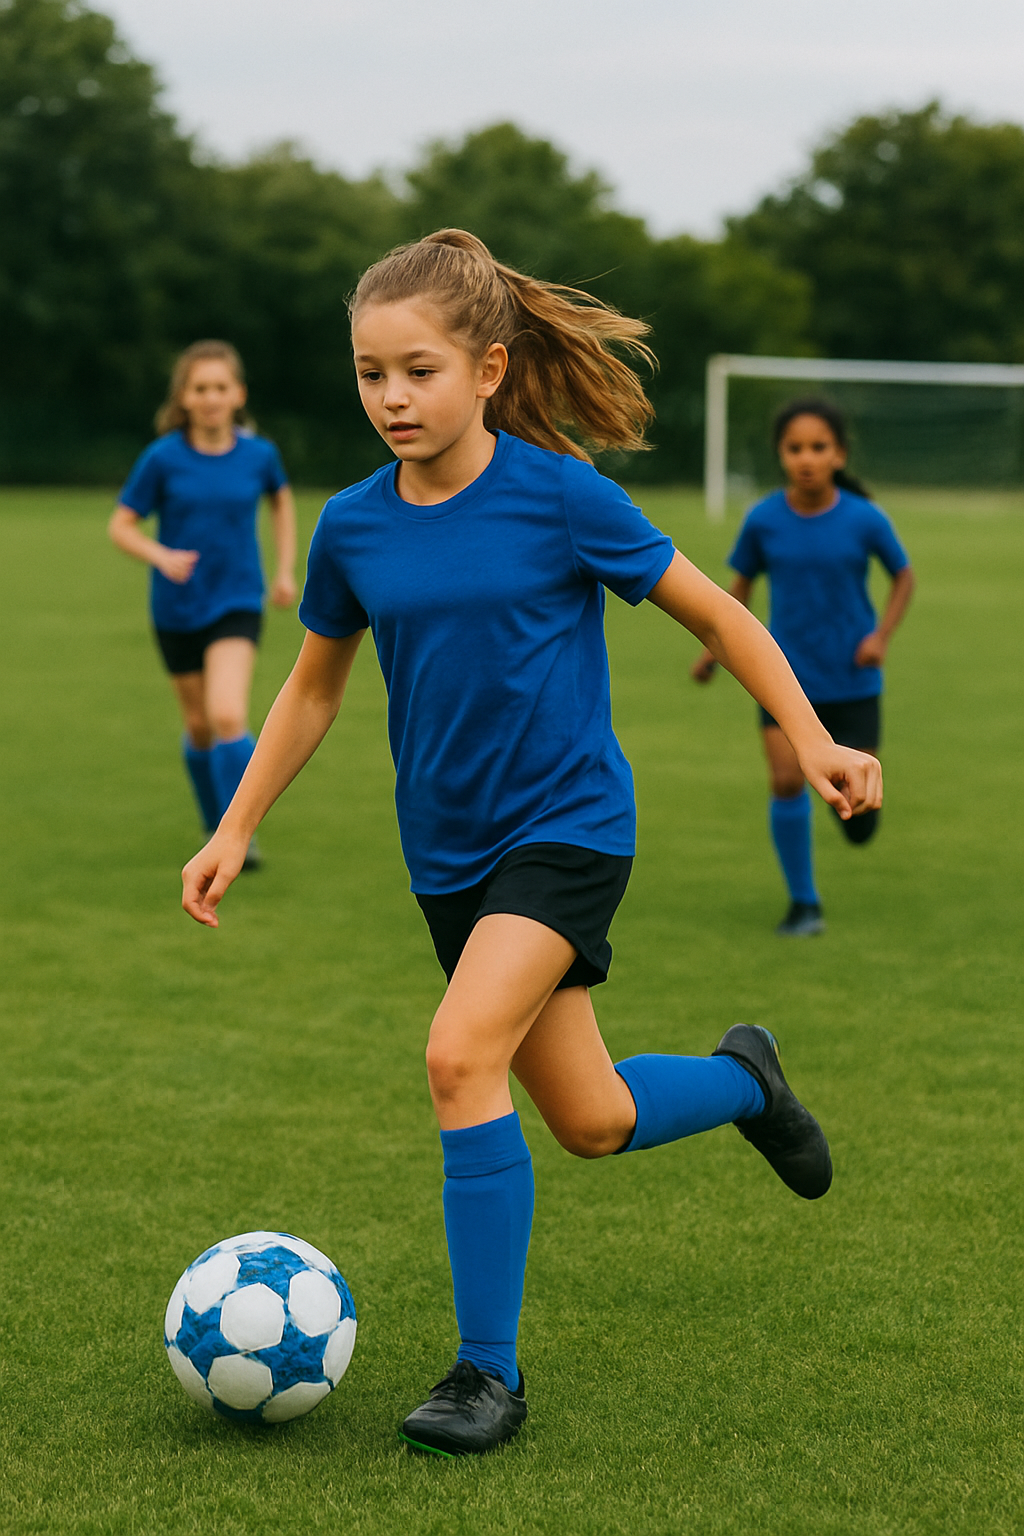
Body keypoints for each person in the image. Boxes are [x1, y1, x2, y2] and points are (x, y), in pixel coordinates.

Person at [181, 233, 881, 1457]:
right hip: (446, 859)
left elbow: (716, 608)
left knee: (460, 1058)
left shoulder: (562, 495)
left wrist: (814, 737)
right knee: (591, 1116)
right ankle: (745, 1079)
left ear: (489, 369)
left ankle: (483, 1377)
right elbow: (308, 692)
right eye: (369, 375)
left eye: (419, 371)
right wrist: (235, 824)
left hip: (566, 832)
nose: (393, 398)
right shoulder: (352, 527)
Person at [692, 398, 914, 936]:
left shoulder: (864, 518)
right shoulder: (764, 520)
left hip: (852, 678)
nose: (806, 458)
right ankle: (804, 903)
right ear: (781, 456)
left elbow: (902, 576)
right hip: (784, 677)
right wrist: (710, 653)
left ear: (839, 455)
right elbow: (736, 592)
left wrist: (880, 637)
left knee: (857, 811)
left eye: (819, 447)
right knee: (786, 780)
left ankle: (860, 825)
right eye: (795, 448)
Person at [109, 340, 297, 864]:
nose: (211, 397)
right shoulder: (163, 457)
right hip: (176, 607)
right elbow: (121, 525)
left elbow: (281, 503)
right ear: (184, 398)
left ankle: (239, 831)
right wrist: (159, 554)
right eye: (200, 388)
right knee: (198, 726)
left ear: (237, 394)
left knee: (226, 714)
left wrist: (284, 570)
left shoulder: (260, 455)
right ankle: (215, 820)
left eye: (220, 387)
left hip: (238, 600)